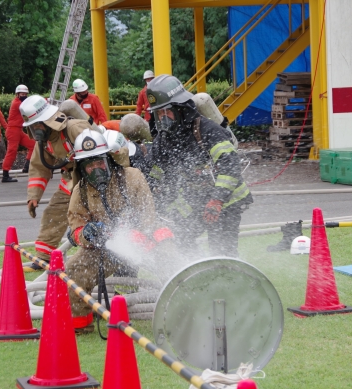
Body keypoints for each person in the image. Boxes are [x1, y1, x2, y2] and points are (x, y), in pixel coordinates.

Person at [66, 129, 174, 333]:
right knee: (74, 268)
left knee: (170, 259)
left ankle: (179, 311)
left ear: (109, 160)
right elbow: (74, 230)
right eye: (89, 165)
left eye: (99, 162)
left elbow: (147, 214)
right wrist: (87, 234)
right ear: (81, 168)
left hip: (144, 239)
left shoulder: (132, 176)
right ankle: (80, 325)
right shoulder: (80, 192)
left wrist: (132, 235)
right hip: (105, 247)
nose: (96, 169)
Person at [144, 74, 253, 258]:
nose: (163, 118)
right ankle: (195, 269)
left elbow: (230, 165)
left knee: (222, 250)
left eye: (167, 112)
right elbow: (152, 170)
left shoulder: (208, 130)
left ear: (180, 109)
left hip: (226, 200)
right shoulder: (165, 139)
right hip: (198, 199)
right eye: (158, 113)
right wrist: (150, 191)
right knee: (179, 236)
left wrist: (217, 200)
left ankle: (228, 277)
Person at [20, 95, 129, 270]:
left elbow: (100, 155)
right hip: (71, 180)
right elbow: (39, 168)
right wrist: (34, 196)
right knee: (53, 213)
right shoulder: (44, 142)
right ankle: (44, 257)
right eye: (33, 127)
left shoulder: (74, 128)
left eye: (37, 125)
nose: (36, 130)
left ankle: (118, 252)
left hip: (95, 179)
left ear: (47, 120)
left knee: (102, 216)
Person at [0, 85, 35, 182]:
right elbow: (29, 109)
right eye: (22, 94)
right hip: (13, 130)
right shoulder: (17, 103)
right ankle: (5, 175)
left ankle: (27, 166)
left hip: (18, 130)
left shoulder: (20, 102)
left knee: (33, 144)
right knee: (12, 152)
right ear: (17, 94)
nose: (24, 95)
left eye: (25, 94)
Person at [135, 70, 156, 136]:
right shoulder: (142, 92)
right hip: (148, 117)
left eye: (150, 79)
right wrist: (136, 118)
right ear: (145, 80)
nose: (149, 80)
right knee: (149, 134)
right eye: (147, 79)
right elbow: (139, 106)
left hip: (158, 114)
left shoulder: (158, 90)